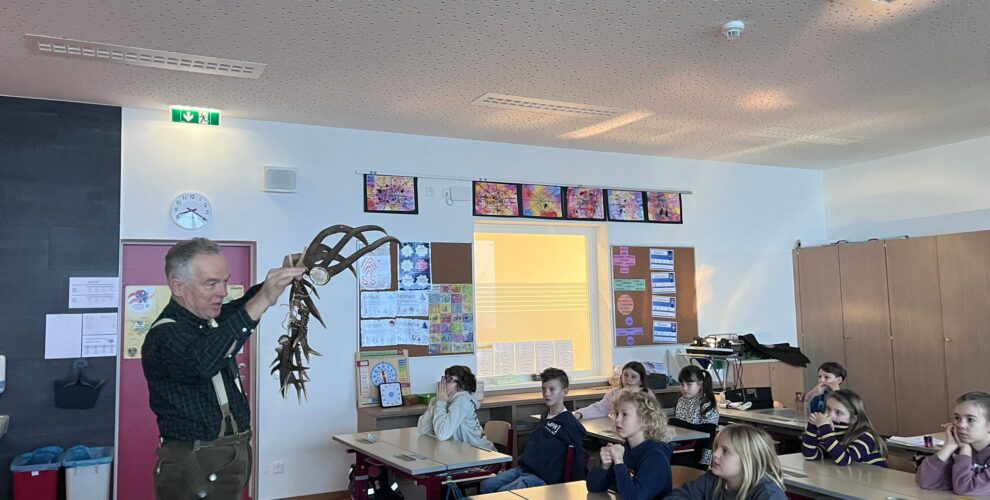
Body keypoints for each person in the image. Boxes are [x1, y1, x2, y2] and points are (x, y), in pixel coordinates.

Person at [142, 238, 304, 500]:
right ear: (178, 287)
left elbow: (239, 308)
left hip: (222, 463)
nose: (223, 292)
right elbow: (203, 362)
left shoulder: (207, 322)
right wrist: (263, 298)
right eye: (211, 283)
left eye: (224, 281)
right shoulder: (165, 335)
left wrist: (276, 280)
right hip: (194, 468)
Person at [480, 367, 587, 492]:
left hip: (542, 477)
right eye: (544, 389)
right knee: (486, 485)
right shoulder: (545, 417)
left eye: (552, 389)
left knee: (502, 493)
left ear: (565, 391)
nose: (546, 393)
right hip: (524, 469)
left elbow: (577, 458)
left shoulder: (569, 424)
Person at [586, 390, 673, 500]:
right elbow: (594, 488)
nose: (617, 420)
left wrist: (619, 462)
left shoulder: (656, 458)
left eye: (625, 414)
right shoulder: (625, 449)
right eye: (616, 414)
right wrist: (604, 467)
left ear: (645, 420)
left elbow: (633, 497)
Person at [665, 424, 786, 500]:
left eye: (725, 451)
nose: (715, 454)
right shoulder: (712, 479)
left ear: (748, 460)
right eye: (716, 447)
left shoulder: (768, 494)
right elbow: (678, 495)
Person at [916, 391, 990, 495]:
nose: (960, 425)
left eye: (970, 419)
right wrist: (949, 446)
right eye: (957, 418)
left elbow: (964, 489)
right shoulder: (958, 447)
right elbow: (925, 481)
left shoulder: (963, 450)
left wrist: (965, 453)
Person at [801, 389, 887, 466]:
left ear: (853, 418)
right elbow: (810, 455)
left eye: (838, 413)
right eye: (828, 409)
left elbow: (844, 459)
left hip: (872, 477)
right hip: (849, 475)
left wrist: (825, 428)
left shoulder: (866, 436)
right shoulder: (832, 433)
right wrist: (813, 425)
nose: (830, 415)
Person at [417, 365, 494, 450]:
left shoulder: (462, 400)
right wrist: (437, 402)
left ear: (461, 386)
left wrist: (441, 403)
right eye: (444, 378)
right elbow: (422, 429)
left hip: (481, 453)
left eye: (448, 380)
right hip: (463, 451)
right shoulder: (441, 400)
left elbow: (442, 435)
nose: (443, 383)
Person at [671, 365, 719, 466]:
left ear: (700, 384)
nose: (684, 388)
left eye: (689, 384)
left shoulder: (706, 404)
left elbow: (709, 437)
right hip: (681, 446)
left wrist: (704, 463)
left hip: (696, 451)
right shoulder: (681, 401)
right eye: (681, 384)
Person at [575, 361, 655, 420]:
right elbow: (600, 408)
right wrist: (580, 413)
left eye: (633, 377)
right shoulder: (615, 393)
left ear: (641, 381)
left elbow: (650, 417)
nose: (628, 379)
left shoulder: (646, 394)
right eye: (626, 375)